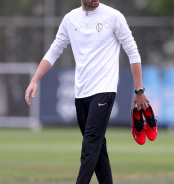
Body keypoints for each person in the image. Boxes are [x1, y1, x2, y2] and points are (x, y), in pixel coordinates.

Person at [25, 0, 150, 183]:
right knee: (98, 148)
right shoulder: (70, 19)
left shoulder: (114, 17)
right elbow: (54, 50)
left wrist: (139, 90)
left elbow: (133, 52)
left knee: (90, 144)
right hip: (81, 93)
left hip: (104, 90)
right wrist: (35, 80)